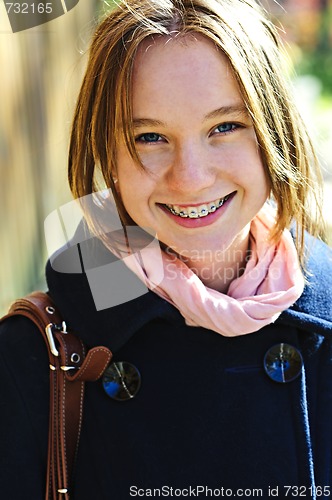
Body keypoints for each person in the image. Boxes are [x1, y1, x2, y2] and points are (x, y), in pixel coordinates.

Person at [1, 0, 332, 498]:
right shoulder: (38, 355)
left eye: (225, 127)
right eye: (150, 137)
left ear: (275, 134)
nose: (191, 178)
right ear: (106, 154)